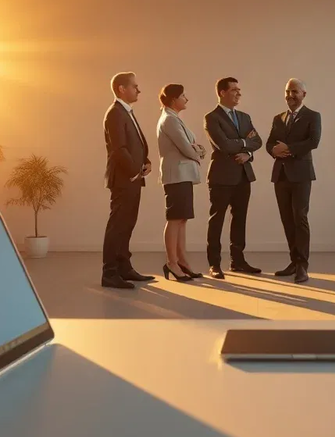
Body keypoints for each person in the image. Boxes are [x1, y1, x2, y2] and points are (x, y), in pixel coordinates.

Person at [204, 77, 264, 279]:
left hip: (243, 176)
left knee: (240, 219)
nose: (239, 93)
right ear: (222, 92)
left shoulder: (245, 117)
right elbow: (223, 144)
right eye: (234, 90)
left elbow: (258, 141)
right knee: (217, 220)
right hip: (221, 177)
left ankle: (237, 261)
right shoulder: (212, 118)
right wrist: (245, 142)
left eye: (239, 90)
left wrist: (247, 153)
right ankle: (214, 264)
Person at [101, 72, 156, 289]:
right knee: (118, 226)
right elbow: (119, 149)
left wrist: (146, 161)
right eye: (135, 86)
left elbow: (135, 144)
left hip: (132, 177)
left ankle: (124, 268)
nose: (138, 90)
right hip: (124, 178)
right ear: (122, 89)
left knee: (127, 224)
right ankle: (110, 273)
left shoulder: (125, 112)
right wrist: (135, 169)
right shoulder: (115, 113)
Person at [265, 78, 321, 284]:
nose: (290, 95)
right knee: (287, 219)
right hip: (281, 175)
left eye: (294, 91)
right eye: (288, 91)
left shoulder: (313, 116)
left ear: (303, 94)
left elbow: (313, 141)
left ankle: (302, 266)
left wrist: (288, 149)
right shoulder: (278, 118)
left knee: (300, 218)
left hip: (301, 175)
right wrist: (274, 150)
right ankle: (293, 261)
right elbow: (270, 143)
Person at [156, 83, 206, 282]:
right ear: (173, 99)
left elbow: (194, 146)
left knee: (182, 218)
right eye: (183, 96)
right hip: (176, 175)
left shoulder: (174, 118)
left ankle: (182, 261)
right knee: (175, 218)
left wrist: (197, 150)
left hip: (182, 175)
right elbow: (187, 147)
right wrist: (198, 151)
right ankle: (172, 262)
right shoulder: (169, 120)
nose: (187, 99)